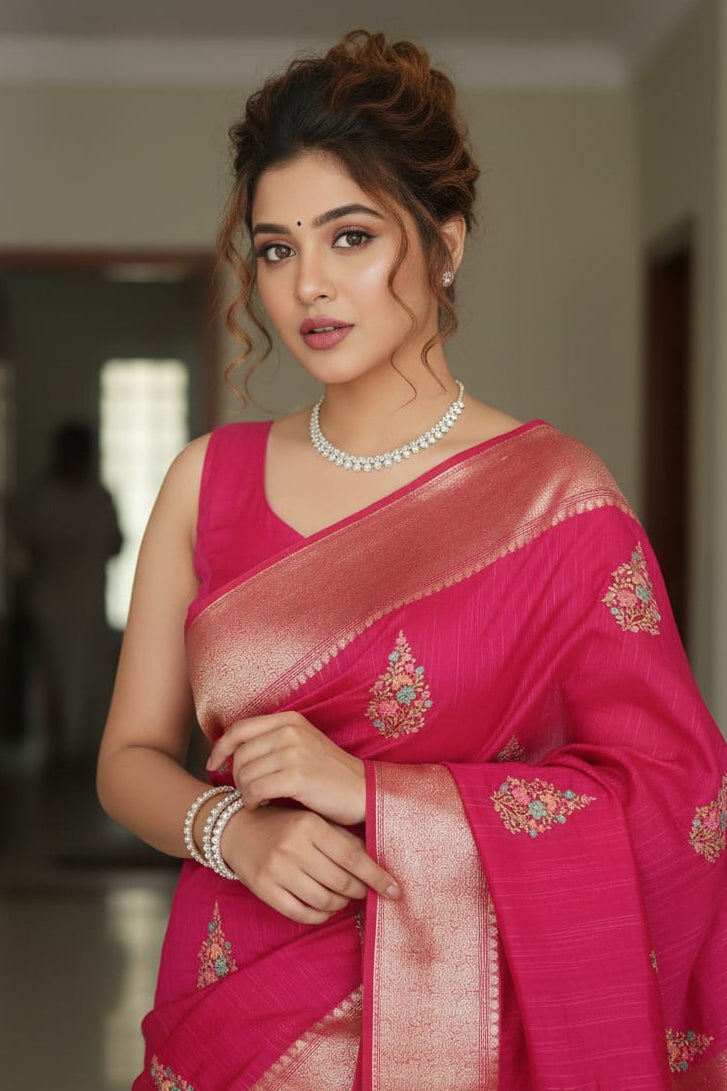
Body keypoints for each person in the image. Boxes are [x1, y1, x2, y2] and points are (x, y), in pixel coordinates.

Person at [97, 30, 727, 1090]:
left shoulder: (555, 500)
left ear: (444, 243)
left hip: (472, 1036)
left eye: (350, 237)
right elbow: (128, 758)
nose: (307, 285)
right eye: (275, 249)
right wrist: (233, 831)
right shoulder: (207, 479)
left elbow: (676, 799)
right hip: (235, 1013)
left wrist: (372, 790)